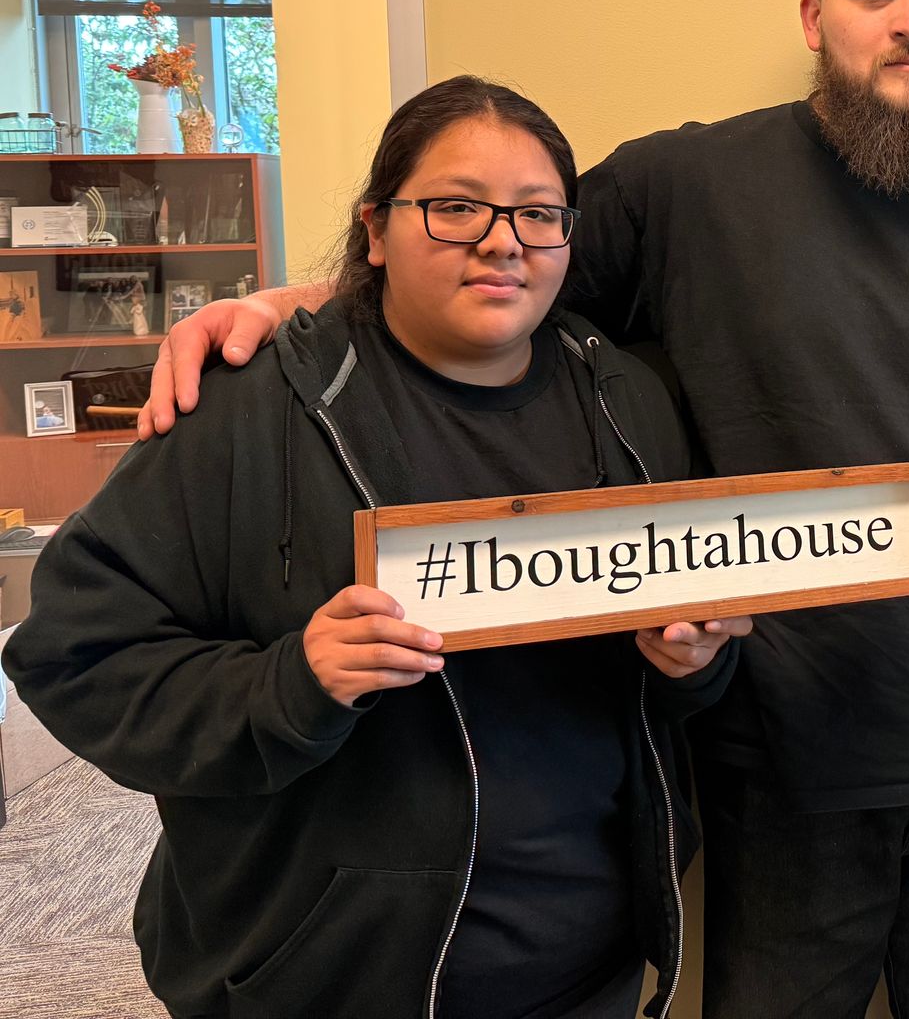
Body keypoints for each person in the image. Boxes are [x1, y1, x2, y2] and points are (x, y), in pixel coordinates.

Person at [141, 0, 909, 1019]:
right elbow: (494, 258)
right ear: (816, 17)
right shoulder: (688, 185)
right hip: (776, 750)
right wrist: (285, 307)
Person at [7, 77, 749, 1019]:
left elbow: (672, 668)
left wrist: (694, 661)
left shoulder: (630, 406)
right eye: (454, 208)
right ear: (374, 230)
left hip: (585, 963)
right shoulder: (244, 409)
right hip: (326, 974)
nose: (500, 240)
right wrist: (292, 685)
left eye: (538, 214)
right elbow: (73, 658)